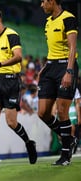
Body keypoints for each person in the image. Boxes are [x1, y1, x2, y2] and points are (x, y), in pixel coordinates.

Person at [0, 7, 37, 167]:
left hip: (11, 81)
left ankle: (29, 143)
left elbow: (18, 57)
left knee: (11, 122)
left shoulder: (11, 35)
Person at [38, 0, 79, 165]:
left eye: (43, 1)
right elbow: (52, 48)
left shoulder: (68, 18)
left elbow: (72, 47)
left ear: (52, 2)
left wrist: (69, 71)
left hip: (65, 66)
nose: (41, 5)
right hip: (50, 66)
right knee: (43, 113)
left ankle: (65, 154)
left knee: (62, 112)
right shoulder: (48, 22)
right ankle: (69, 138)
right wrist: (45, 66)